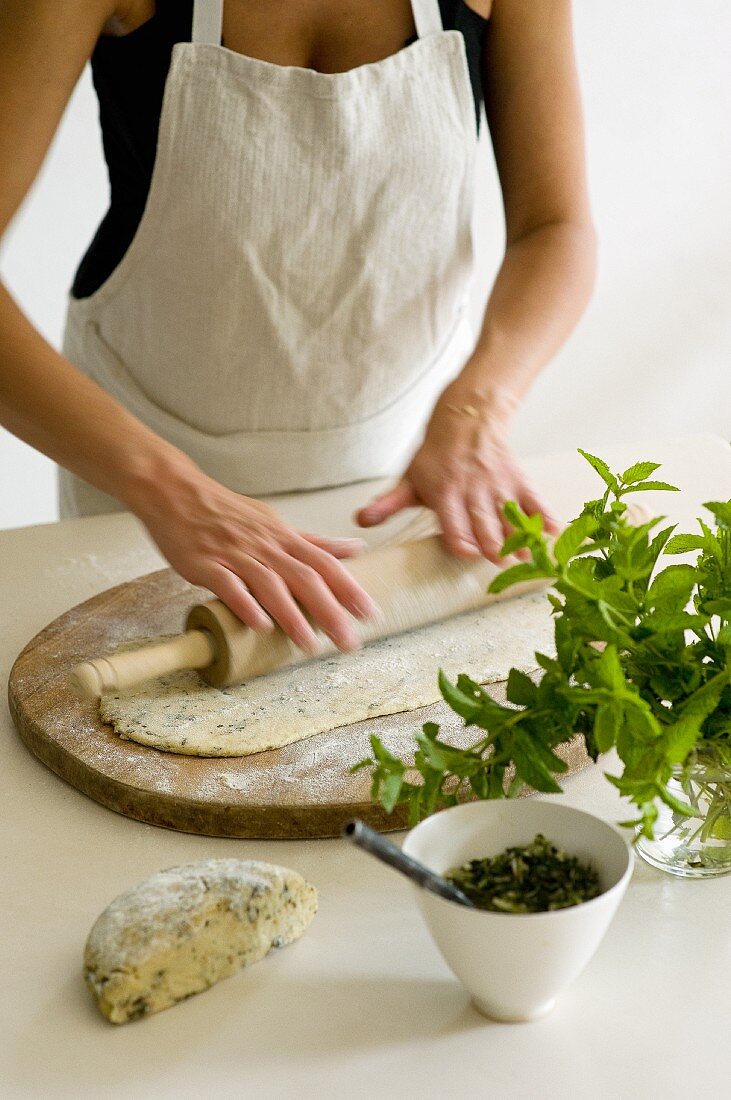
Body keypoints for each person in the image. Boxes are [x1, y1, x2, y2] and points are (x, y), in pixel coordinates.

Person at [0, 0, 595, 655]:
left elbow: (554, 229)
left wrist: (478, 408)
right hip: (141, 486)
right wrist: (167, 488)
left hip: (411, 478)